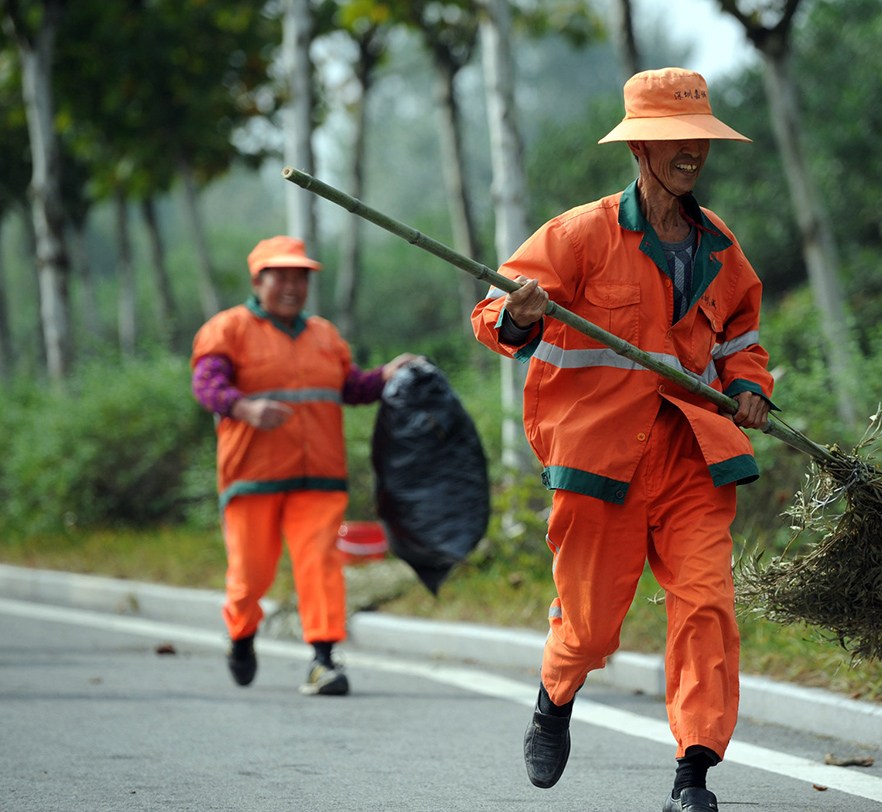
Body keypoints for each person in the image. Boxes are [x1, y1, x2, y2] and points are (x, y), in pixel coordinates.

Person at [471, 68, 774, 812]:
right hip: (599, 460)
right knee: (592, 625)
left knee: (706, 606)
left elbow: (744, 335)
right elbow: (491, 317)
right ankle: (554, 694)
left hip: (692, 460)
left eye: (700, 137)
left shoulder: (722, 247)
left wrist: (749, 388)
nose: (691, 151)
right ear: (639, 144)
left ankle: (693, 774)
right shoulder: (579, 234)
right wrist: (522, 314)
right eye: (675, 138)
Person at [190, 235, 415, 697]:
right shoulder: (228, 329)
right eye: (282, 276)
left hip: (319, 477)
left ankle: (324, 660)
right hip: (252, 477)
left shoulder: (325, 336)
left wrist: (386, 375)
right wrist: (245, 408)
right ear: (258, 279)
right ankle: (240, 632)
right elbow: (206, 385)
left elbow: (350, 388)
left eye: (301, 277)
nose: (293, 286)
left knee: (320, 565)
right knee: (252, 575)